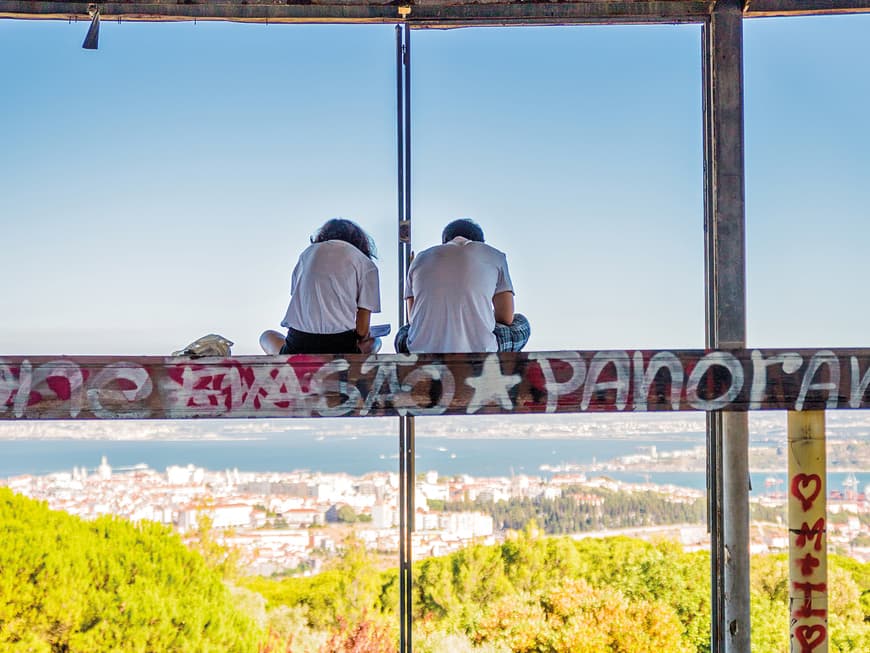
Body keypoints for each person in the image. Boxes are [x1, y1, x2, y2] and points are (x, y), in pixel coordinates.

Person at [395, 218, 530, 353]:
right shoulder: (495, 255)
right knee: (520, 322)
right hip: (481, 351)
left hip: (419, 351)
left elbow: (412, 318)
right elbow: (506, 317)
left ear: (445, 241)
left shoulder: (419, 259)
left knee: (404, 331)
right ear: (481, 243)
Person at [260, 219, 381, 355]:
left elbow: (297, 295)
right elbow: (362, 331)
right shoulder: (365, 264)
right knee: (375, 341)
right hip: (343, 349)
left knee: (267, 336)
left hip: (298, 347)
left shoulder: (306, 255)